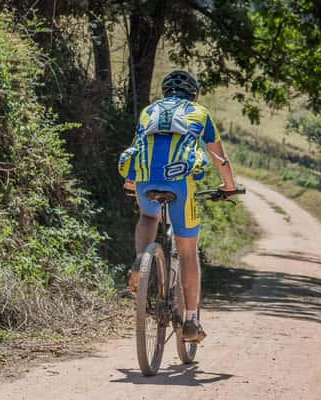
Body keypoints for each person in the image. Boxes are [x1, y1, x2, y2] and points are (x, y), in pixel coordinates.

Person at [118, 69, 237, 342]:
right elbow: (218, 157)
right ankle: (191, 322)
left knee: (148, 218)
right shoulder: (200, 112)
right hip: (180, 183)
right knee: (186, 251)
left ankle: (140, 264)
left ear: (164, 93)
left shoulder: (149, 111)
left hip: (145, 180)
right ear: (193, 95)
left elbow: (138, 147)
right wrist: (228, 186)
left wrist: (129, 182)